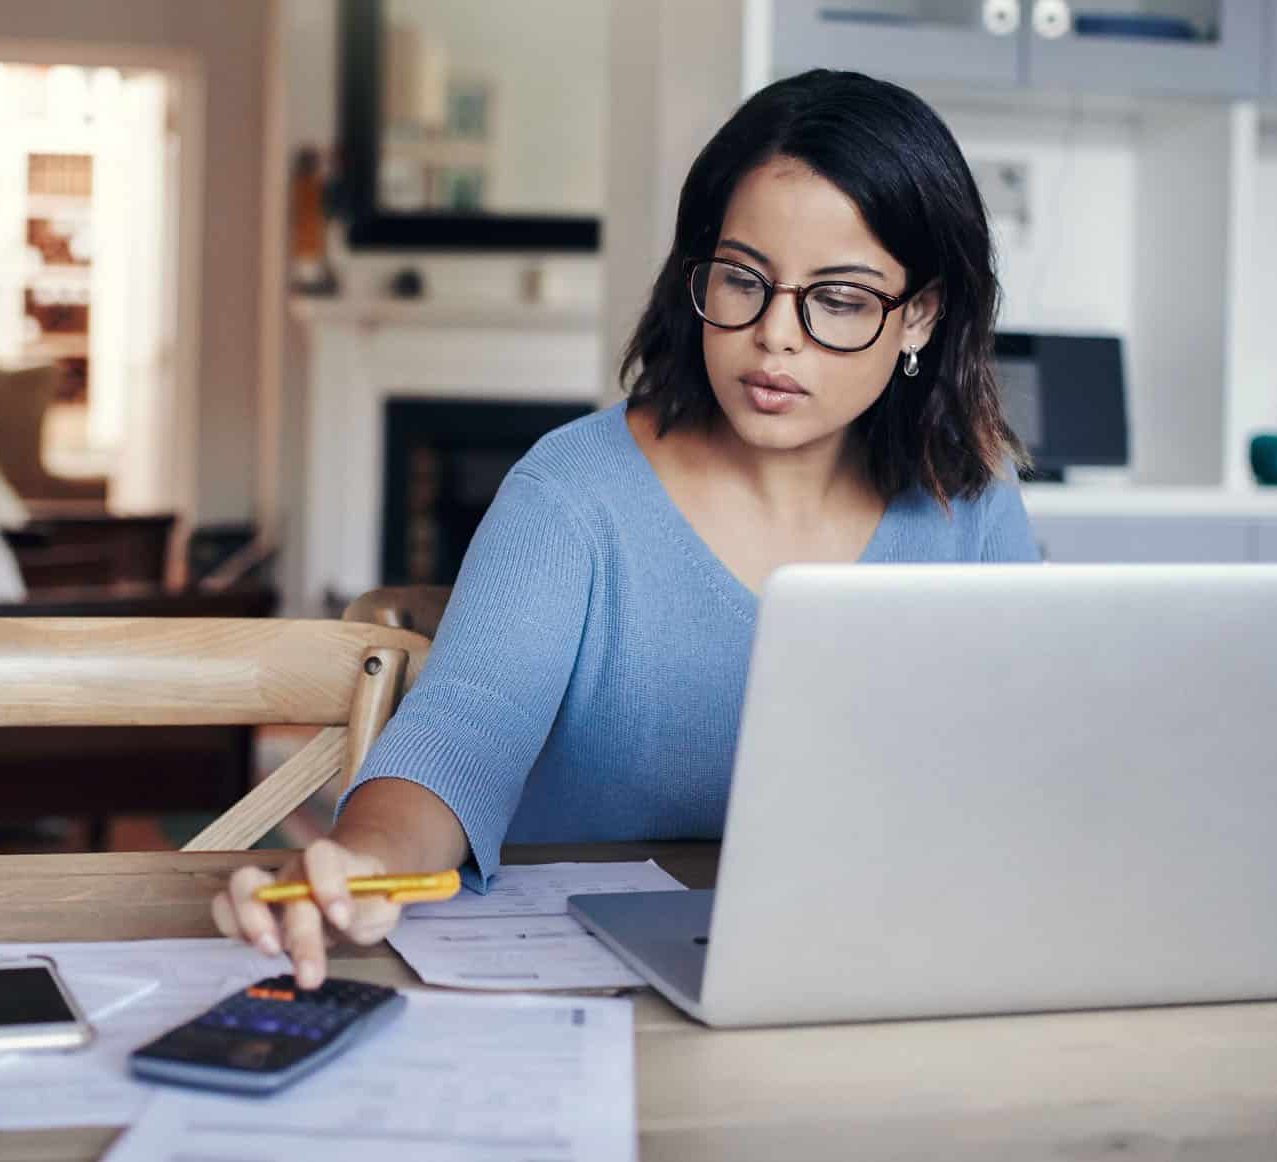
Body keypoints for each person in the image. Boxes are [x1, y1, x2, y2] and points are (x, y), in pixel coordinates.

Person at [214, 69, 1039, 987]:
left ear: (920, 313)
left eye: (839, 299)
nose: (776, 336)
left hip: (871, 969)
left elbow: (1027, 766)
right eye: (743, 281)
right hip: (586, 987)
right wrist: (362, 863)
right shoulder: (571, 495)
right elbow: (458, 740)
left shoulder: (970, 496)